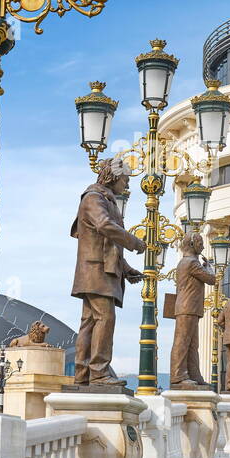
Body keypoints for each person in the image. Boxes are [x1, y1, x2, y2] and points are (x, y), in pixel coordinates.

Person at [70, 156, 147, 386]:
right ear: (113, 177)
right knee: (105, 318)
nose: (127, 184)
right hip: (96, 271)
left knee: (90, 322)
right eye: (125, 179)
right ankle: (99, 373)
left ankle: (83, 375)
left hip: (99, 270)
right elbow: (104, 226)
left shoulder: (103, 199)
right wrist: (134, 242)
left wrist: (126, 270)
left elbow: (107, 245)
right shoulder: (94, 198)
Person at [168, 232, 216, 389]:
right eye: (200, 242)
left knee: (192, 344)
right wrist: (209, 266)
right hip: (187, 307)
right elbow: (211, 279)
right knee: (182, 342)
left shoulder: (189, 262)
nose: (202, 246)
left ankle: (194, 375)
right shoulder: (190, 263)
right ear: (191, 244)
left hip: (190, 308)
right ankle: (178, 376)